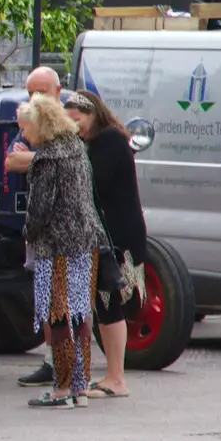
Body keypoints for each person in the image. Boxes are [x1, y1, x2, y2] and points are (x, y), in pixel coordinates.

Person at [19, 94, 109, 409]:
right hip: (85, 242)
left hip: (55, 244)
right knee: (81, 313)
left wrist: (27, 233)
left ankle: (62, 388)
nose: (24, 135)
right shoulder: (76, 149)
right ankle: (80, 388)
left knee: (56, 315)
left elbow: (40, 209)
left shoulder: (47, 157)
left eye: (26, 128)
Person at [65, 91, 147, 399]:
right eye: (68, 121)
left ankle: (116, 377)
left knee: (110, 301)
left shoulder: (110, 140)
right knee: (104, 305)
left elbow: (91, 181)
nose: (75, 127)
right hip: (107, 233)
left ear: (93, 114)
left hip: (118, 235)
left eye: (78, 120)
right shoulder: (95, 142)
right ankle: (113, 373)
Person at [6, 65, 76, 388]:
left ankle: (69, 373)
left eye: (42, 92)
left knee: (67, 301)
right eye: (30, 93)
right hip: (44, 233)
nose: (35, 99)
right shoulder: (30, 124)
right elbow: (10, 160)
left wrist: (29, 158)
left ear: (58, 92)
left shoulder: (66, 128)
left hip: (61, 232)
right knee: (48, 299)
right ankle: (55, 362)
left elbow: (50, 162)